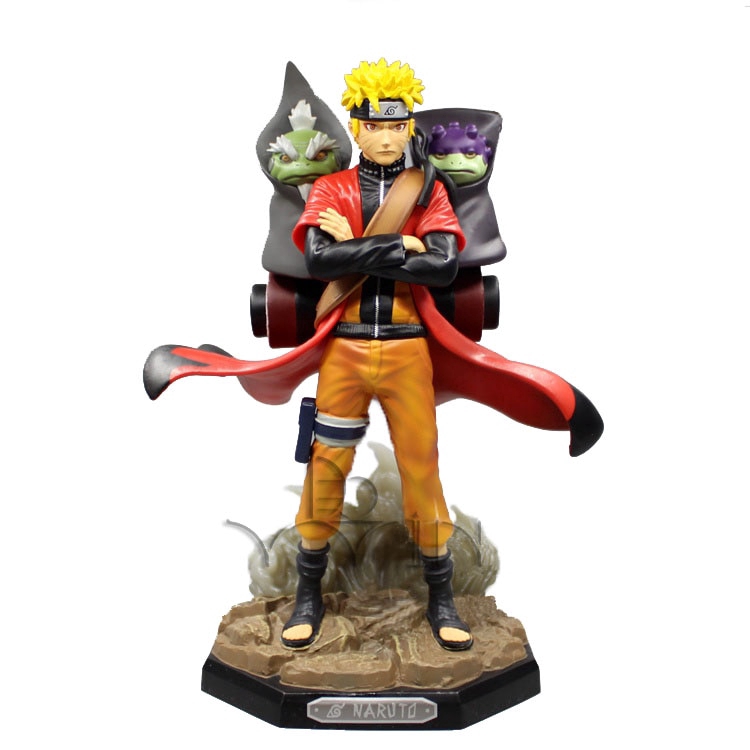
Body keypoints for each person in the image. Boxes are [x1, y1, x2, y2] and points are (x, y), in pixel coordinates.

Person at [281, 58, 474, 651]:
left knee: (421, 467)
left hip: (408, 348)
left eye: (397, 125)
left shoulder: (428, 188)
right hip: (343, 351)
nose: (386, 137)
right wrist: (402, 243)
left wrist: (360, 245)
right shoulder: (331, 188)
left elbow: (442, 267)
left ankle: (442, 597)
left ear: (408, 126)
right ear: (356, 127)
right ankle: (307, 594)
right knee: (326, 466)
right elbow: (319, 262)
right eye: (374, 125)